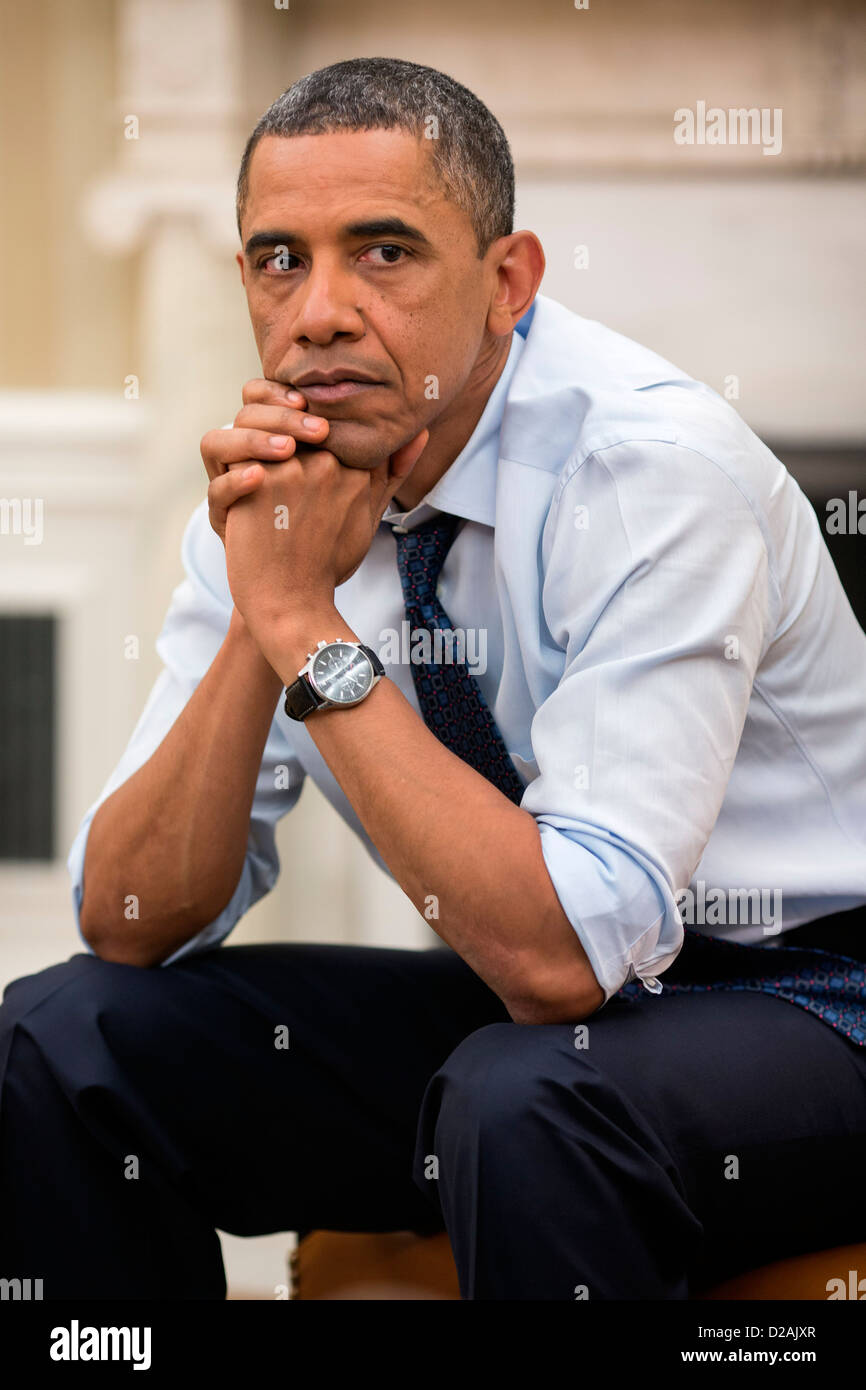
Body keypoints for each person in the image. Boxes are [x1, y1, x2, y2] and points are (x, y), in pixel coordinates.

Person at [1, 57, 865, 1302]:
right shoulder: (279, 491)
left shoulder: (646, 474)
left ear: (506, 281)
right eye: (279, 258)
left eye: (384, 251)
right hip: (536, 1019)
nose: (322, 311)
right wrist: (263, 612)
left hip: (810, 997)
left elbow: (564, 956)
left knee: (525, 1094)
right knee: (63, 1032)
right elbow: (129, 920)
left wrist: (303, 623)